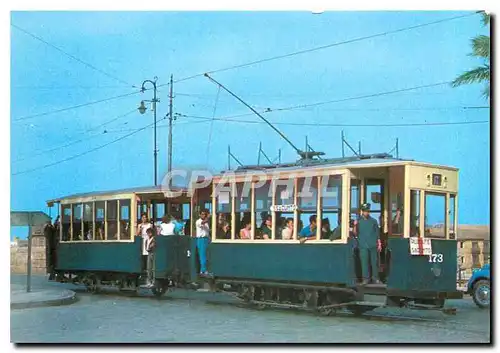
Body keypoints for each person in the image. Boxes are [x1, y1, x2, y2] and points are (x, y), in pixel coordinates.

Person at [357, 203, 382, 285]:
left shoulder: (374, 221)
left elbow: (377, 234)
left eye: (367, 211)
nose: (366, 213)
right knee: (364, 263)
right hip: (363, 245)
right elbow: (355, 233)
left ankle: (375, 278)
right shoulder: (358, 222)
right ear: (362, 212)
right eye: (364, 211)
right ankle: (365, 279)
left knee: (374, 262)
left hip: (373, 245)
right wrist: (354, 226)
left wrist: (379, 243)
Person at [195, 209, 211, 275]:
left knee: (207, 255)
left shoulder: (206, 223)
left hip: (206, 239)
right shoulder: (198, 221)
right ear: (199, 215)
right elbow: (203, 222)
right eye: (202, 214)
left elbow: (207, 231)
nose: (203, 215)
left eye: (204, 214)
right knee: (202, 255)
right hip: (201, 240)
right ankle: (203, 270)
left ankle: (205, 269)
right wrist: (209, 217)